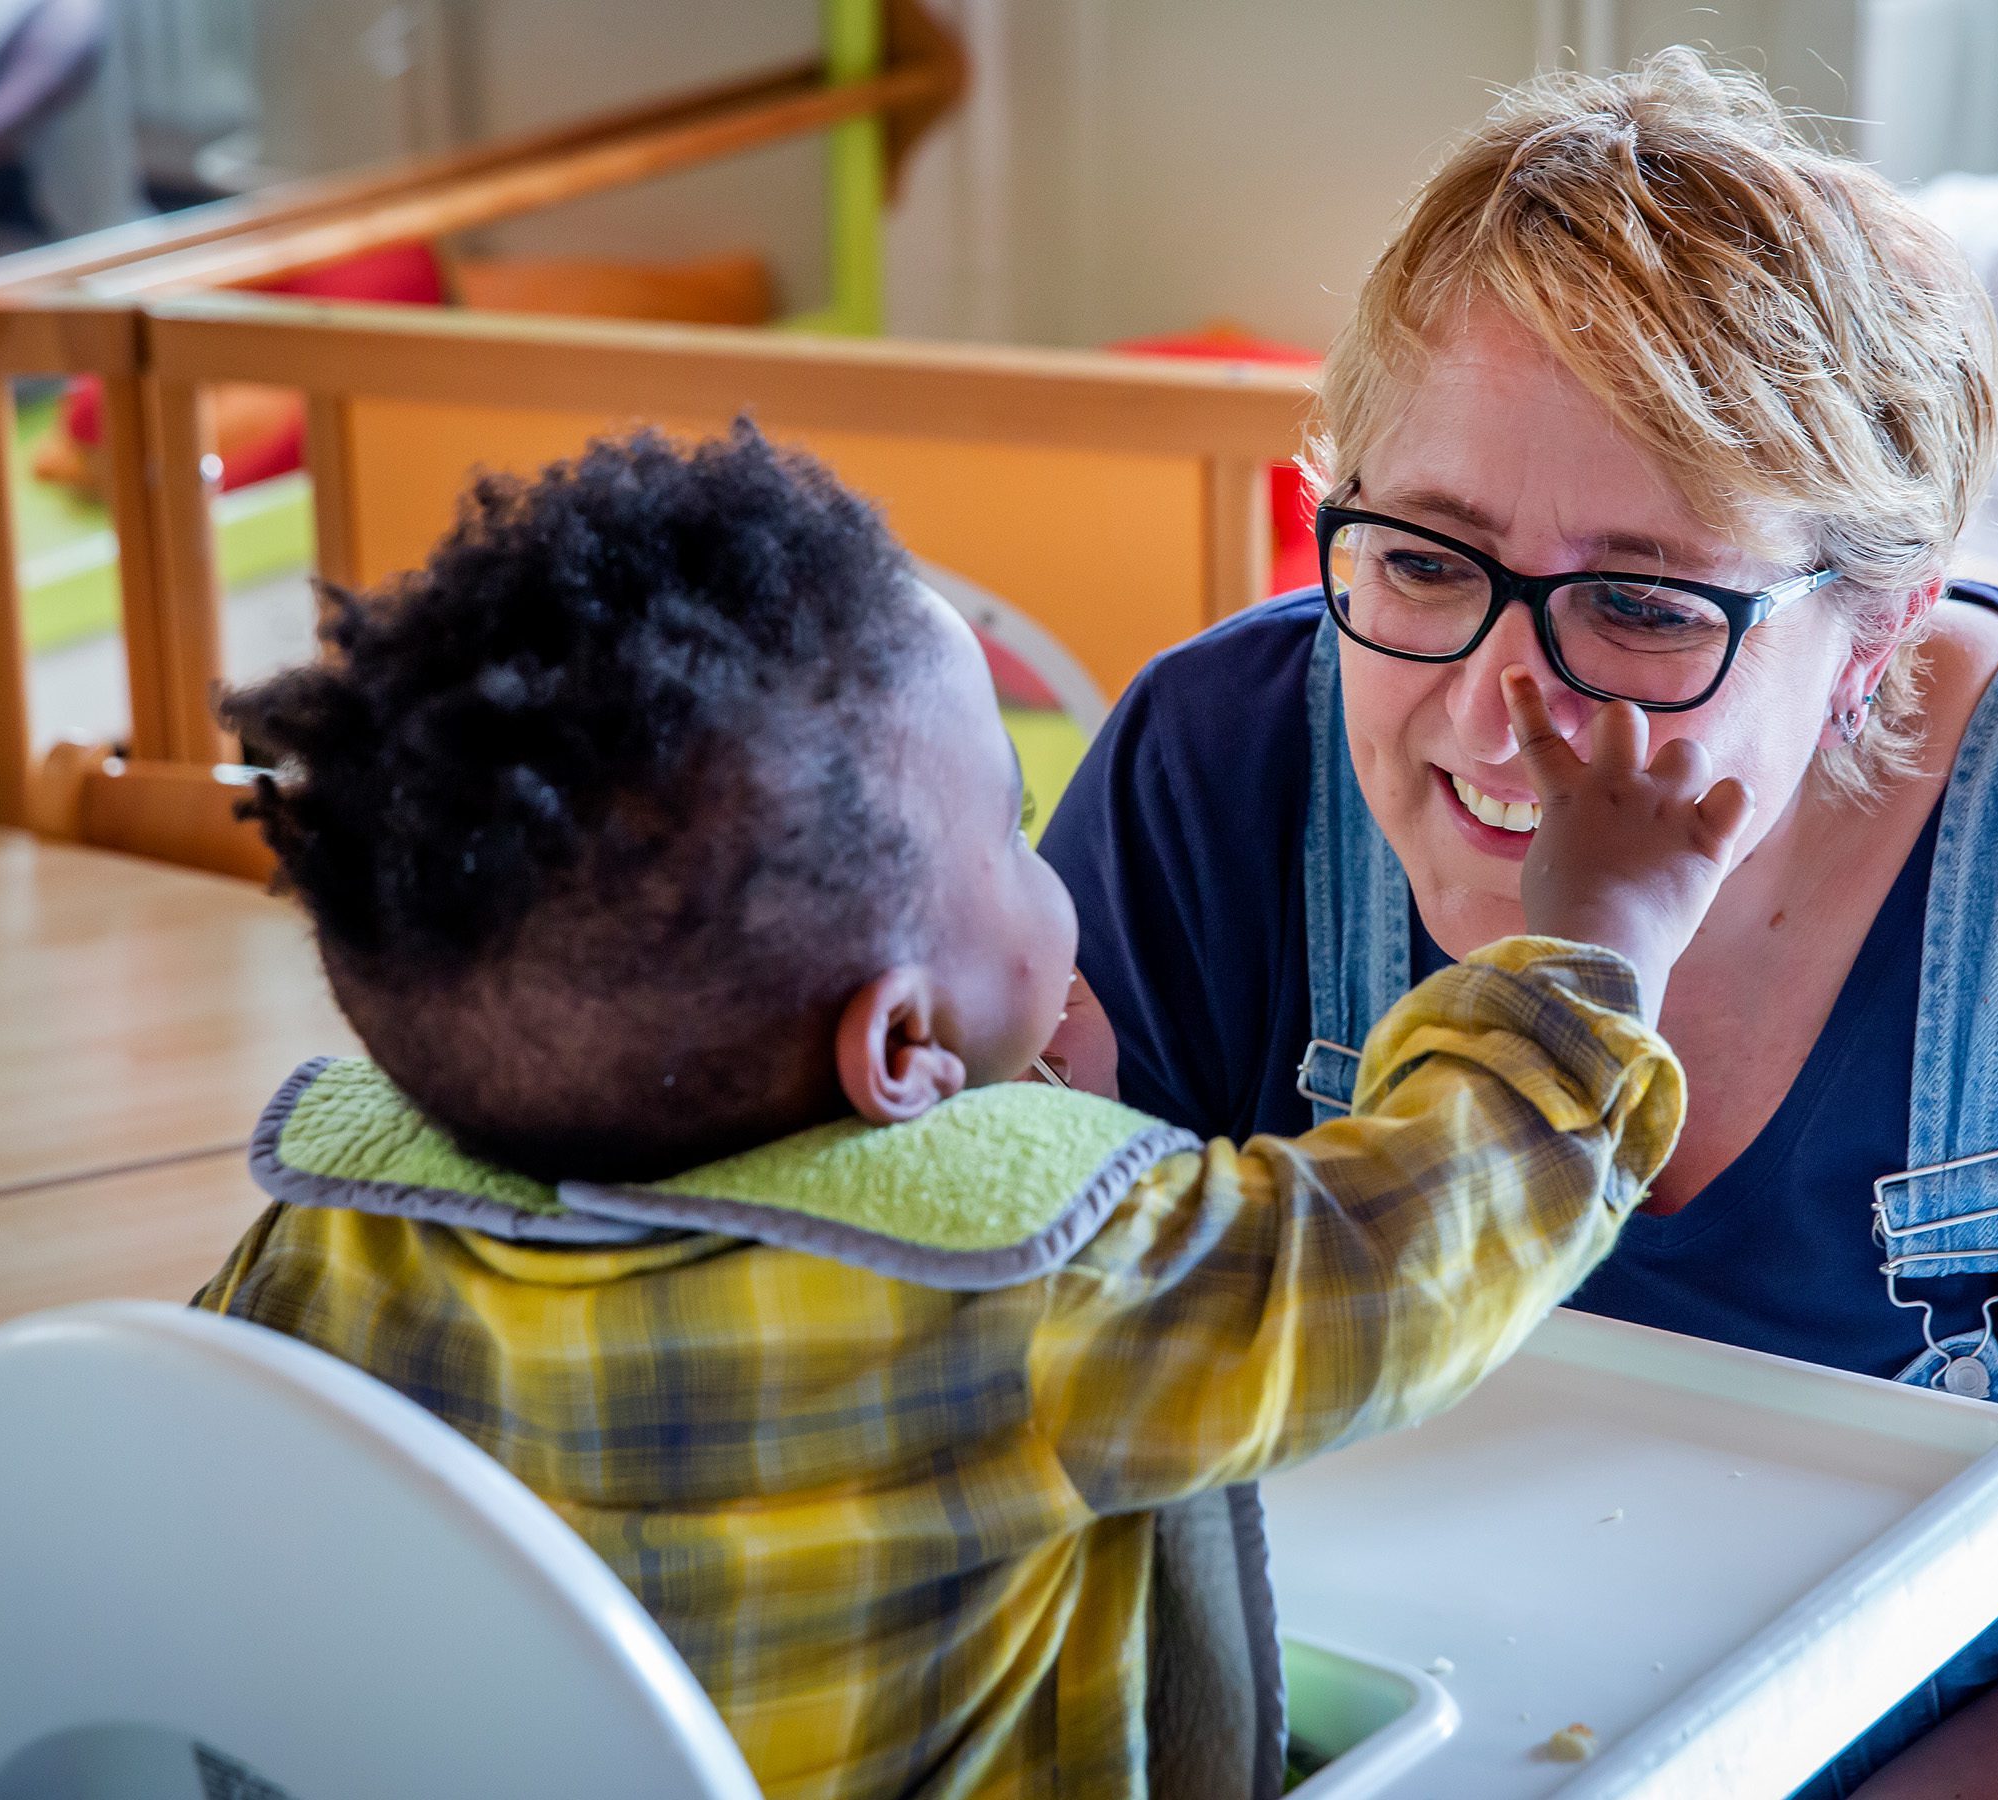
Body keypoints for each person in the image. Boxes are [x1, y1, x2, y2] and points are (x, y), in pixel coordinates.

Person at [1041, 49, 1998, 1798]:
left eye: (1642, 604)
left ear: (1877, 630)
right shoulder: (1220, 770)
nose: (1500, 710)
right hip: (1457, 1691)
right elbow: (1035, 1414)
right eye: (1427, 561)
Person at [194, 422, 1739, 1800]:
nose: (1043, 860)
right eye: (1010, 825)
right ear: (904, 1044)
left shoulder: (318, 1242)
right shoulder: (1030, 1287)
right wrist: (1589, 964)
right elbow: (1393, 1265)